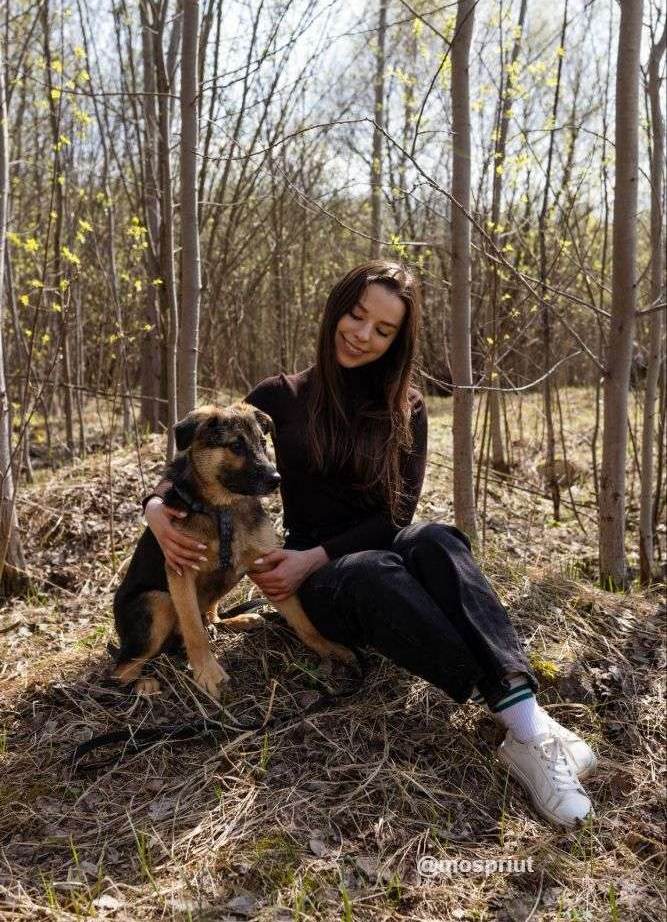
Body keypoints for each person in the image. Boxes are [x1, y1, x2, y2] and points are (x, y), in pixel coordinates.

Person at [143, 260, 596, 830]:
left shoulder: (405, 408)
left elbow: (397, 514)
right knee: (374, 572)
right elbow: (195, 458)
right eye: (357, 316)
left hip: (364, 547)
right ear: (337, 309)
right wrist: (155, 508)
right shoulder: (277, 397)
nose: (363, 335)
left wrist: (318, 556)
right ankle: (530, 727)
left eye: (383, 330)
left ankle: (528, 731)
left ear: (398, 341)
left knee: (436, 538)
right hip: (318, 576)